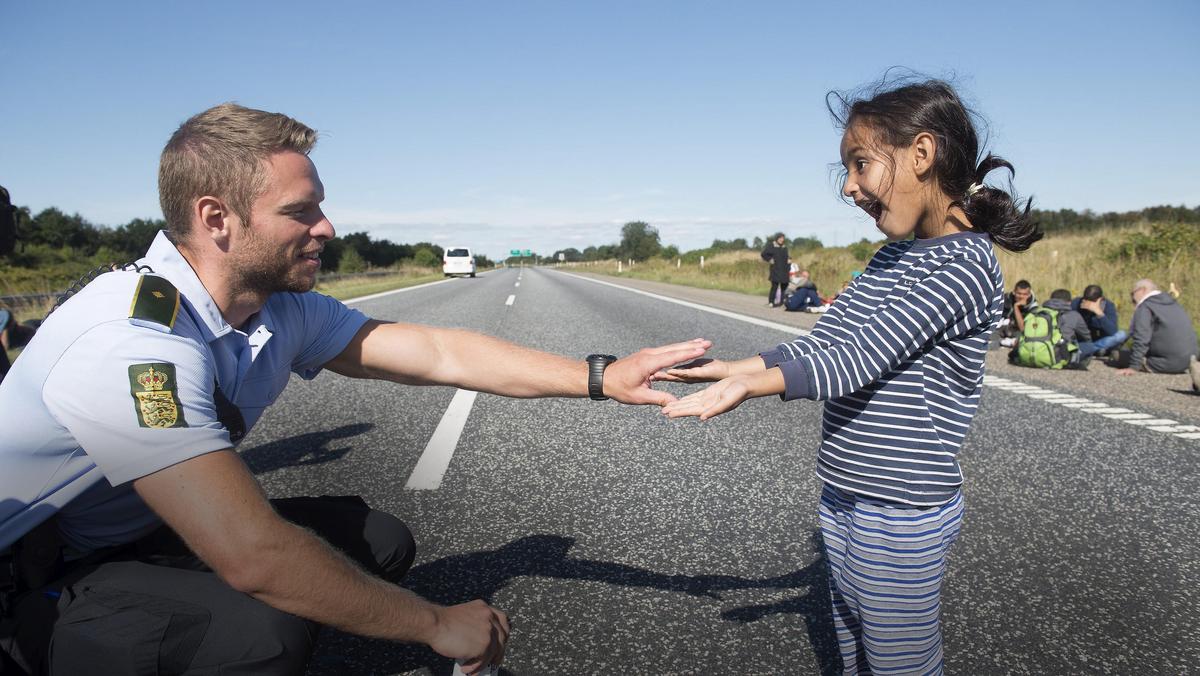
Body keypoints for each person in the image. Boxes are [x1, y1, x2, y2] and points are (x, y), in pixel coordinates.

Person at [0, 103, 710, 675]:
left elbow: (433, 351)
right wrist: (437, 627)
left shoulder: (274, 308)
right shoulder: (132, 340)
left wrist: (600, 377)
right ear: (216, 219)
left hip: (140, 532)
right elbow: (252, 554)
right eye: (301, 212)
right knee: (262, 621)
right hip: (35, 572)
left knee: (377, 541)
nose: (327, 228)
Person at [657, 78, 1041, 674]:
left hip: (901, 506)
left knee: (899, 662)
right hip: (845, 492)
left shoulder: (965, 264)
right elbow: (829, 340)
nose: (849, 186)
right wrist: (740, 365)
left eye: (860, 164)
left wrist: (748, 387)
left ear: (921, 153)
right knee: (855, 648)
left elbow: (859, 357)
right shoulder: (893, 257)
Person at [1116, 278, 1199, 376]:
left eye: (1132, 293)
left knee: (1117, 355)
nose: (1132, 299)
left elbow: (1141, 338)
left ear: (1142, 290)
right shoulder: (1174, 304)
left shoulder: (1146, 306)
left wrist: (1133, 366)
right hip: (1189, 361)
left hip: (1166, 364)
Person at [1071, 284, 1127, 357]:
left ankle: (1093, 350)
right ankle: (1095, 350)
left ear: (1101, 299)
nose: (1088, 304)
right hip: (1082, 340)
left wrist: (1099, 313)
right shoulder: (1077, 303)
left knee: (1121, 335)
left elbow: (1112, 331)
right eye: (1086, 300)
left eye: (1092, 301)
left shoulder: (1108, 306)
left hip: (1100, 340)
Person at [1042, 288, 1095, 366]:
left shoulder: (1040, 312)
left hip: (1041, 348)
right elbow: (1087, 337)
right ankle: (1070, 360)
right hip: (1060, 352)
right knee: (1090, 346)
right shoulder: (1074, 315)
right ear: (1069, 302)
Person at [997, 279, 1036, 347]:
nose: (1021, 296)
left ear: (1029, 295)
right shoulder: (1007, 299)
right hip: (1004, 328)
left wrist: (1016, 307)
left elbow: (1023, 329)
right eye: (1019, 293)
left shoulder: (1033, 307)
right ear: (1014, 292)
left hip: (1019, 332)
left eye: (1025, 294)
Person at [760, 233, 790, 307]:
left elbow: (787, 256)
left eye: (783, 238)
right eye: (780, 238)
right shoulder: (772, 246)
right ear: (777, 238)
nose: (781, 240)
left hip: (784, 269)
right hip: (775, 269)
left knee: (784, 286)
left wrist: (789, 260)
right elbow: (763, 254)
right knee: (774, 286)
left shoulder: (784, 247)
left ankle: (782, 302)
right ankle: (771, 302)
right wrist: (769, 259)